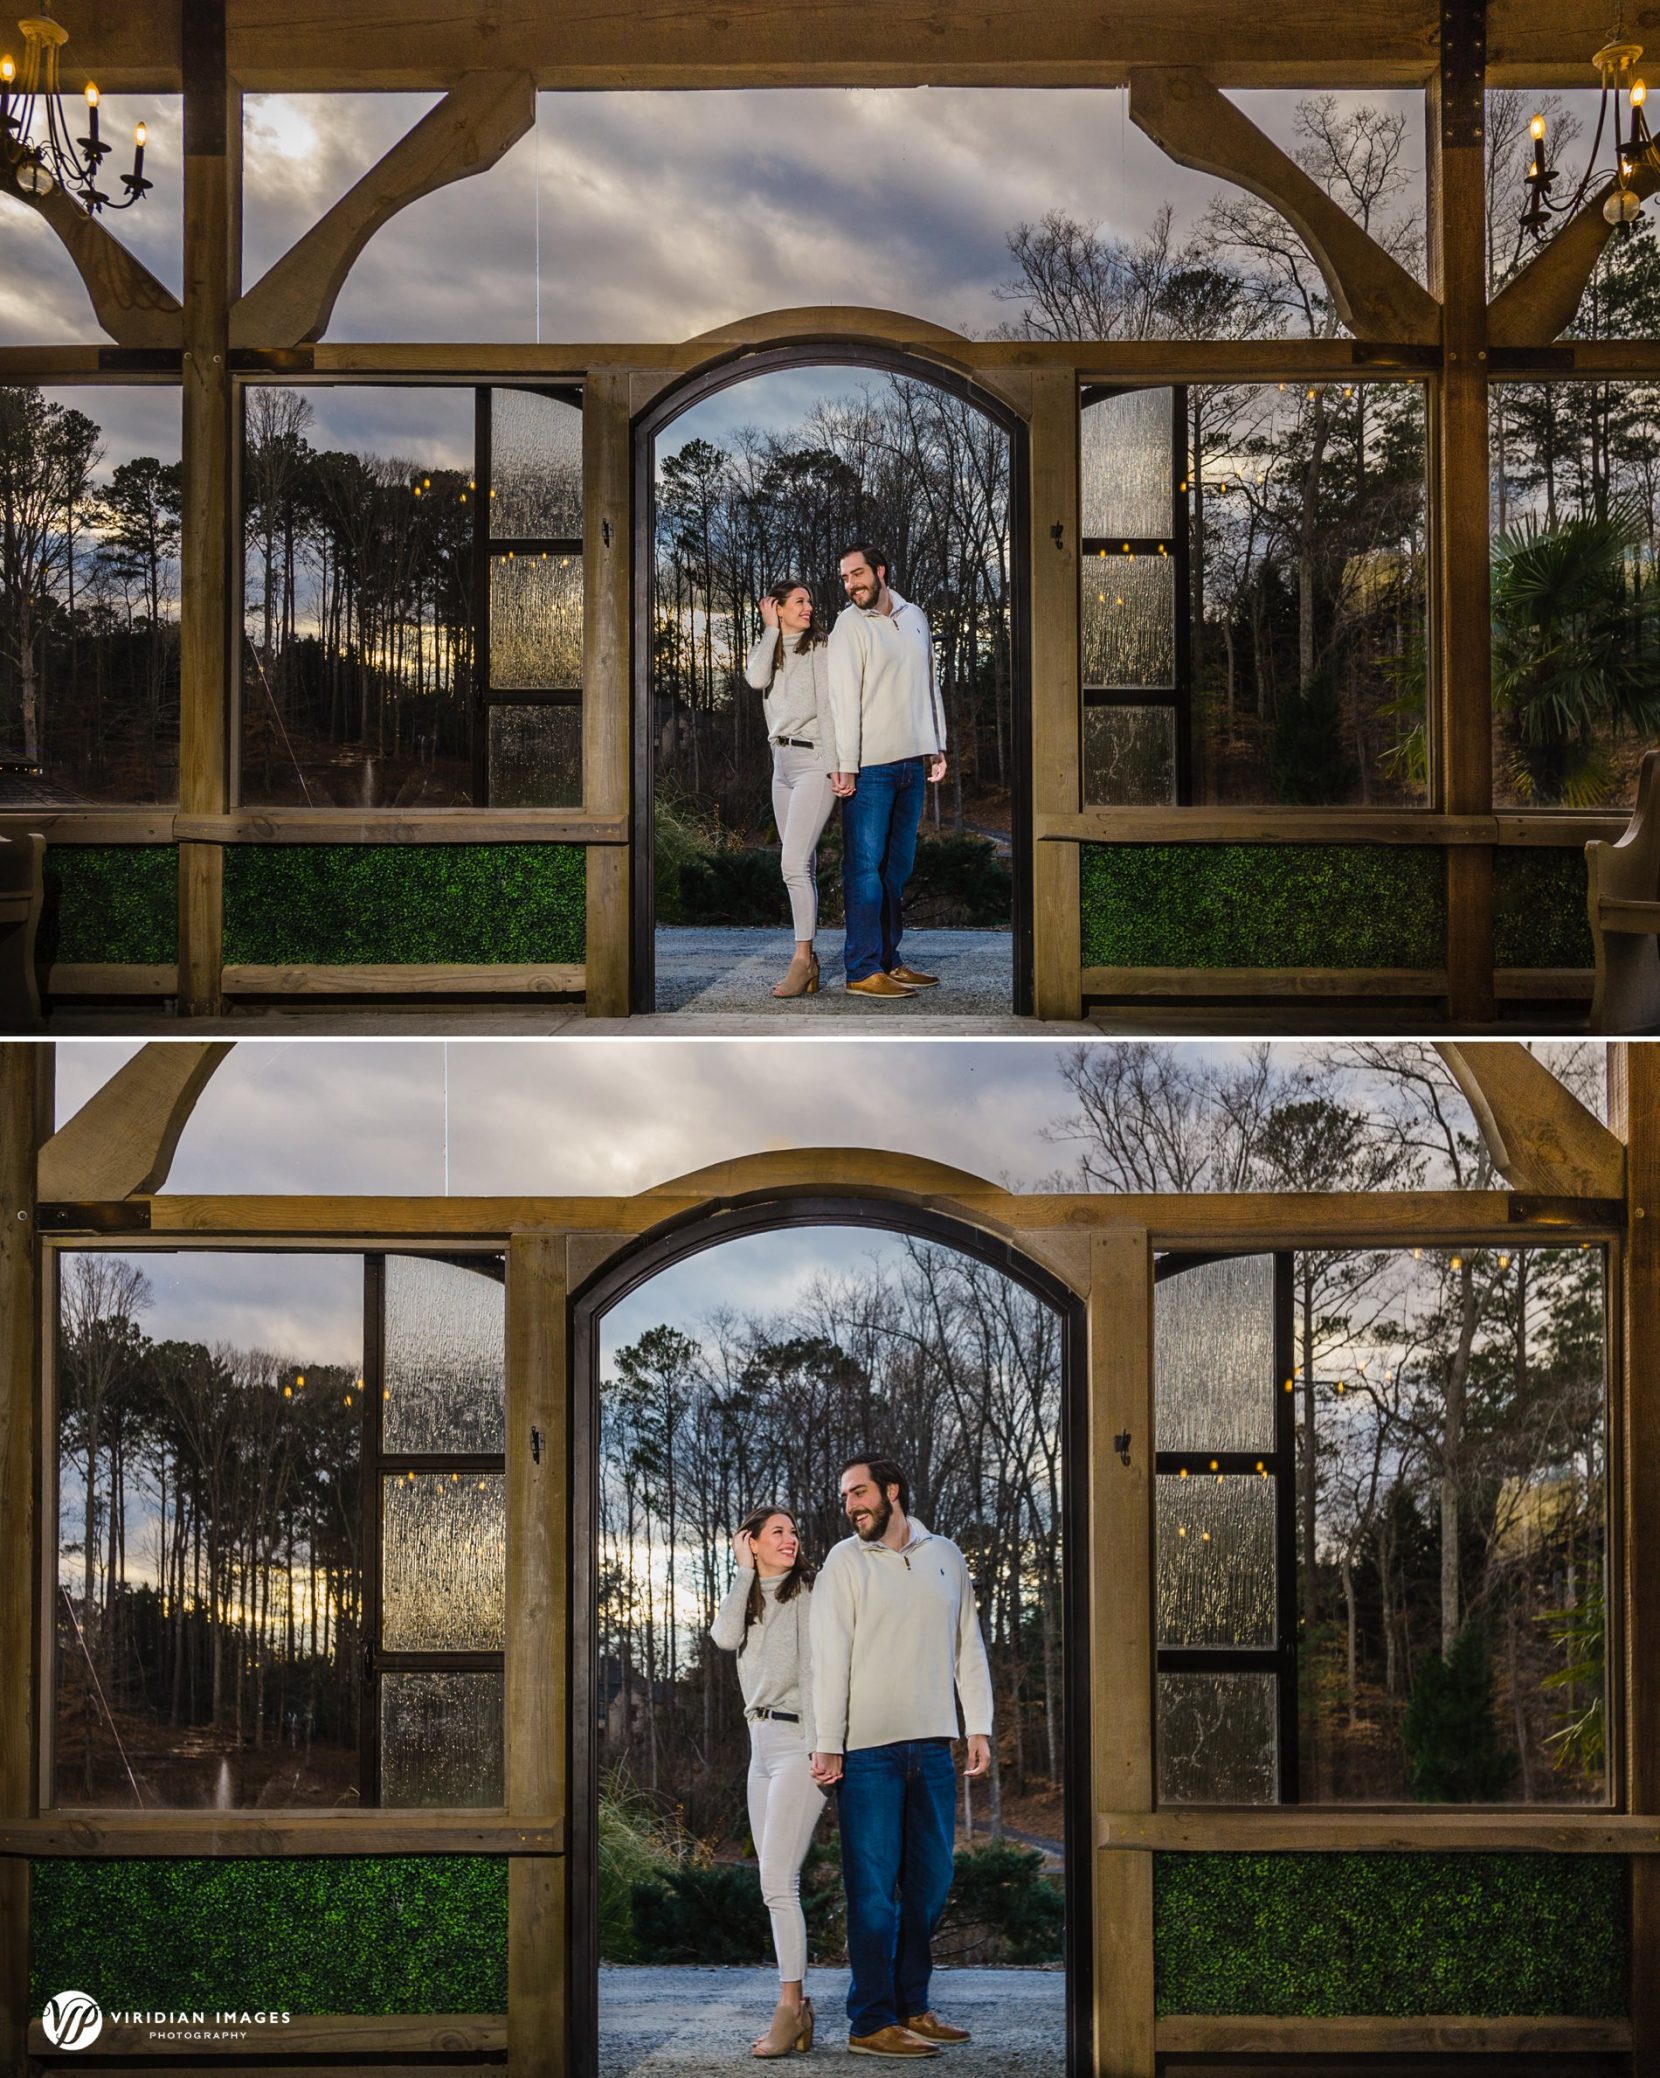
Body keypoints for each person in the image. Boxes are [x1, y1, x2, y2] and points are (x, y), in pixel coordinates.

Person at [809, 1456, 992, 2060]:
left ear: (892, 1491)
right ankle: (870, 2021)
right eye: (844, 1497)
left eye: (859, 1492)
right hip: (867, 1753)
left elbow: (968, 1643)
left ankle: (912, 2006)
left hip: (933, 1747)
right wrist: (828, 1740)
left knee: (931, 1883)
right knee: (871, 1891)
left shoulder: (946, 1555)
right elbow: (829, 1657)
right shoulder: (845, 1561)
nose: (851, 1505)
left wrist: (979, 1726)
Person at [710, 1504, 826, 2059]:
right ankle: (796, 2008)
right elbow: (725, 1638)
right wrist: (741, 1571)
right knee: (771, 1883)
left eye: (794, 1531)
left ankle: (790, 2008)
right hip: (759, 1749)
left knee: (780, 1883)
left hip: (799, 1743)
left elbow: (816, 1670)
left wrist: (823, 1743)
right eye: (777, 1531)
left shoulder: (808, 1592)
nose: (791, 1538)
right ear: (750, 1542)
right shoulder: (750, 1596)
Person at [826, 547, 947, 1001]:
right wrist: (845, 765)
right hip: (871, 766)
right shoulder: (849, 626)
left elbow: (929, 682)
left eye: (857, 574)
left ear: (880, 572)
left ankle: (889, 962)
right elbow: (842, 698)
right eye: (843, 578)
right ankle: (861, 968)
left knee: (897, 869)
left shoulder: (915, 616)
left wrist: (937, 744)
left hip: (912, 761)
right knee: (864, 868)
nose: (850, 583)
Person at [744, 581, 840, 999]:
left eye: (809, 601)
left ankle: (801, 961)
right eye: (798, 601)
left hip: (814, 762)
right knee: (803, 865)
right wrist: (769, 632)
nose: (808, 606)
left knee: (793, 864)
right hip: (780, 765)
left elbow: (829, 708)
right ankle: (811, 960)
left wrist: (839, 766)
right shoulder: (771, 647)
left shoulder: (820, 646)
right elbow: (754, 679)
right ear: (777, 608)